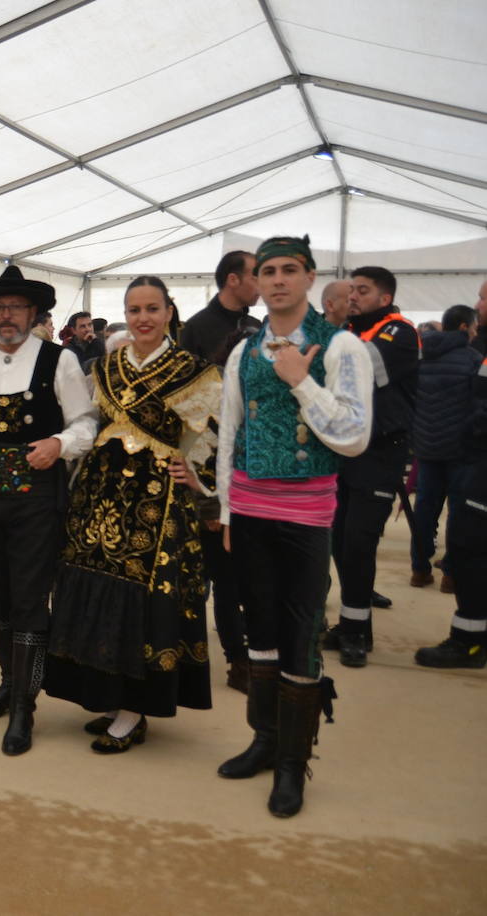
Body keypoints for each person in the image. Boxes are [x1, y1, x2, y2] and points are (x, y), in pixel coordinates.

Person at [216, 235, 372, 818]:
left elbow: (354, 438)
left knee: (302, 628)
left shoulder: (342, 347)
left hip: (306, 511)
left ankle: (292, 762)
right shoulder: (243, 350)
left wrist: (299, 382)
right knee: (258, 626)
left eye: (289, 270)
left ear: (309, 278)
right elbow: (231, 434)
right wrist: (228, 510)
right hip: (251, 508)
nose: (276, 280)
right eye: (266, 271)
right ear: (255, 282)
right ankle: (264, 739)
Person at [46, 277, 221, 753]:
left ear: (169, 312)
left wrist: (196, 469)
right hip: (100, 492)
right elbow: (87, 422)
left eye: (152, 308)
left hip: (155, 498)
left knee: (140, 593)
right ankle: (106, 695)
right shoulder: (104, 367)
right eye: (134, 308)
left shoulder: (194, 371)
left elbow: (211, 432)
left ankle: (132, 710)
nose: (143, 317)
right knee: (93, 581)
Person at [0, 266, 96, 754]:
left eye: (15, 308)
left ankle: (24, 708)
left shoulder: (61, 360)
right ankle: (9, 684)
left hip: (37, 498)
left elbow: (86, 426)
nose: (6, 316)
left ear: (34, 314)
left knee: (31, 596)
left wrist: (58, 442)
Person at [323, 267, 418, 667]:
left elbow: (352, 371)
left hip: (380, 453)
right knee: (341, 542)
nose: (354, 297)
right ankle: (351, 623)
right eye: (350, 290)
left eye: (362, 291)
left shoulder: (398, 331)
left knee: (359, 542)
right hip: (345, 452)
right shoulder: (351, 332)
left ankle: (356, 634)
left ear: (384, 297)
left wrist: (326, 337)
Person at [178, 250, 262, 693]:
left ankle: (239, 656)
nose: (263, 284)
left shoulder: (257, 327)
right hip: (203, 461)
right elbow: (186, 411)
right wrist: (206, 494)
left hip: (246, 461)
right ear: (233, 279)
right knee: (203, 573)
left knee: (234, 572)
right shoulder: (197, 328)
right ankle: (216, 658)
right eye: (257, 275)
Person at [415, 332, 487, 669]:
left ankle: (469, 642)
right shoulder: (476, 355)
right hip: (467, 454)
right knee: (464, 539)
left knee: (465, 542)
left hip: (467, 456)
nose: (480, 304)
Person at [409, 305, 478, 591]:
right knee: (458, 512)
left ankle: (419, 570)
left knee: (425, 508)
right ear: (463, 327)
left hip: (426, 446)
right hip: (460, 448)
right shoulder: (473, 359)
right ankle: (451, 573)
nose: (475, 332)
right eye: (473, 327)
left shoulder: (421, 356)